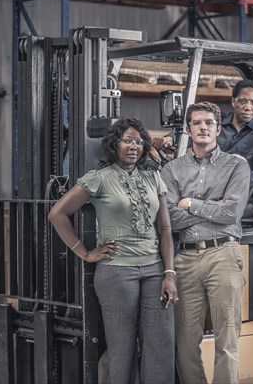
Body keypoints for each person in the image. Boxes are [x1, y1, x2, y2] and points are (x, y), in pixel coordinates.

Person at [48, 117, 177, 384]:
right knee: (122, 350)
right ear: (114, 144)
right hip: (116, 274)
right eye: (127, 140)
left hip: (154, 271)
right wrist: (85, 252)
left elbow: (165, 229)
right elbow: (57, 213)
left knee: (161, 345)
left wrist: (169, 273)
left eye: (139, 142)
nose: (134, 146)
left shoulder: (154, 177)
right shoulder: (99, 178)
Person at [160, 101, 250, 383]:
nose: (202, 127)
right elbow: (169, 220)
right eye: (197, 122)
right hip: (184, 260)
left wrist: (191, 204)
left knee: (227, 339)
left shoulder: (236, 165)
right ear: (188, 129)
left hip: (223, 252)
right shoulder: (172, 169)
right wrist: (211, 206)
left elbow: (231, 212)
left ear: (218, 129)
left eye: (208, 123)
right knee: (185, 342)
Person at [157, 79, 253, 218]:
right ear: (233, 101)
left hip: (241, 197)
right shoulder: (216, 123)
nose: (248, 107)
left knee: (194, 209)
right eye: (243, 101)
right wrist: (170, 138)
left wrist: (236, 183)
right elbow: (198, 130)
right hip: (207, 191)